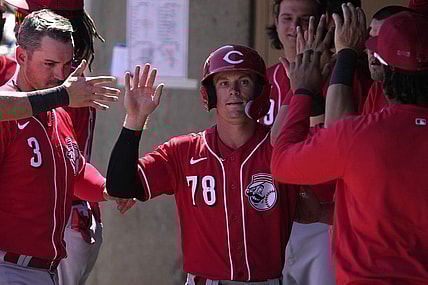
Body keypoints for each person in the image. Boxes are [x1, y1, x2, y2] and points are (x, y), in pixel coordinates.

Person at [105, 45, 311, 284]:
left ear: (259, 91)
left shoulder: (280, 149)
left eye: (243, 82)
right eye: (223, 83)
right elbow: (120, 186)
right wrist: (135, 119)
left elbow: (314, 208)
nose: (233, 91)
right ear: (210, 94)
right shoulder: (183, 151)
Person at [272, 4, 428, 284]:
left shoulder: (358, 135)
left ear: (380, 64)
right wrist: (321, 212)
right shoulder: (360, 130)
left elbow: (282, 162)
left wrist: (301, 91)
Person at [0, 9, 129, 285]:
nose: (61, 74)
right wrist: (61, 95)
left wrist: (109, 190)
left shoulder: (59, 114)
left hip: (46, 270)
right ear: (21, 56)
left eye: (67, 64)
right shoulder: (7, 111)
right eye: (49, 64)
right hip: (7, 266)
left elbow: (76, 173)